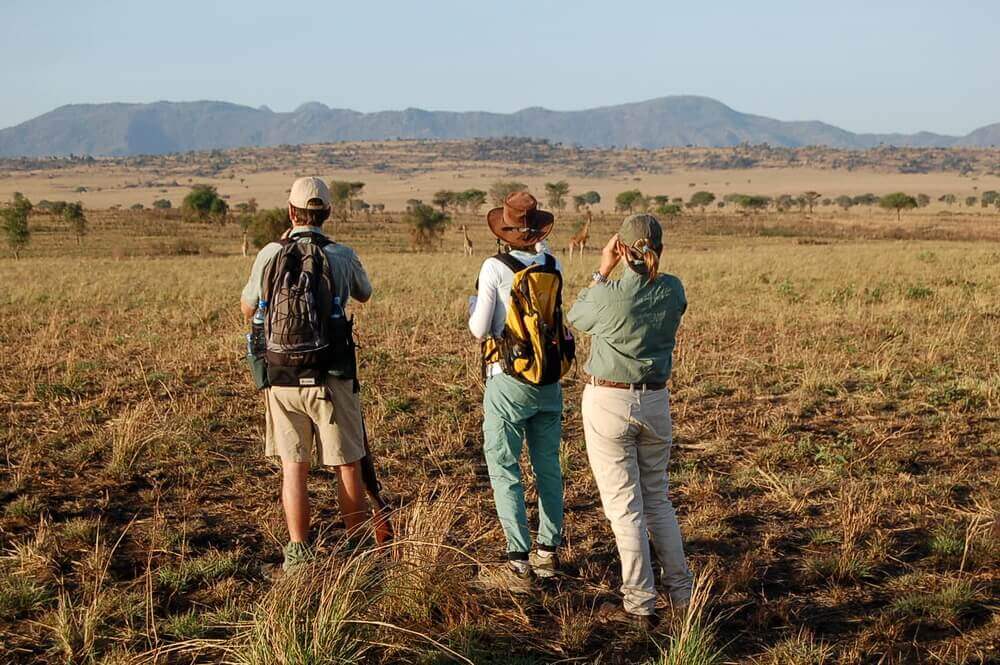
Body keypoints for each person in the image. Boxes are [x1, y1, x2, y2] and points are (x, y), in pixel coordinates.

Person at [240, 177, 374, 573]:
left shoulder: (269, 253)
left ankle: (298, 555)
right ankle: (357, 551)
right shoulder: (341, 253)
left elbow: (248, 309)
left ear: (291, 212)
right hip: (331, 376)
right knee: (347, 463)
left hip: (281, 375)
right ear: (328, 213)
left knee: (293, 466)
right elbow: (365, 293)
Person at [567, 213, 693, 626]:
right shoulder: (673, 290)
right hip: (656, 402)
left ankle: (640, 604)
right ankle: (682, 595)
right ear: (660, 248)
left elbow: (576, 317)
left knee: (625, 509)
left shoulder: (610, 294)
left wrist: (603, 270)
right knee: (658, 500)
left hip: (609, 401)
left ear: (621, 248)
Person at [468, 191, 565, 592]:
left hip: (508, 379)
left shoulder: (494, 266)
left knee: (505, 467)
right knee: (548, 468)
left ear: (504, 231)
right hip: (549, 380)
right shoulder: (553, 264)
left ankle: (517, 562)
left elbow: (479, 329)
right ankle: (548, 553)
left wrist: (476, 305)